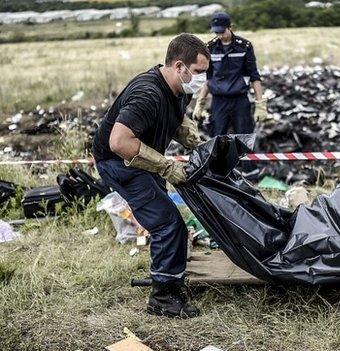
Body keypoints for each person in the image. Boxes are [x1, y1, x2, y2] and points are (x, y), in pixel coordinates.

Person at [92, 33, 209, 319]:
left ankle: (167, 276)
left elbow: (177, 115)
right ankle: (163, 297)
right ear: (179, 66)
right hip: (119, 161)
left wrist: (195, 141)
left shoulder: (180, 88)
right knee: (168, 223)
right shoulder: (147, 93)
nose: (202, 80)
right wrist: (166, 166)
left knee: (165, 217)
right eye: (198, 73)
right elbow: (119, 142)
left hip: (142, 156)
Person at [193, 11, 266, 181]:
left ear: (230, 28)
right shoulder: (209, 48)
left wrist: (261, 103)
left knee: (244, 138)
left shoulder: (244, 46)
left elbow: (254, 76)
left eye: (222, 31)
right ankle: (217, 177)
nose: (219, 35)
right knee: (217, 138)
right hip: (219, 102)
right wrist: (200, 103)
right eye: (216, 32)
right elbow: (207, 79)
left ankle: (251, 178)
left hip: (240, 100)